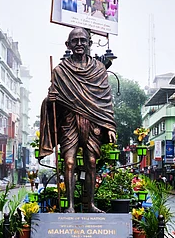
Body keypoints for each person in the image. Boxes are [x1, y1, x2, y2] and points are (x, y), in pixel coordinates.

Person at [39, 27, 117, 213]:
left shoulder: (99, 68)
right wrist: (49, 101)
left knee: (91, 161)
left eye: (83, 40)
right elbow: (53, 99)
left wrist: (110, 126)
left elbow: (105, 99)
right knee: (69, 162)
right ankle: (70, 206)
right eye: (75, 41)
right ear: (68, 44)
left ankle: (89, 204)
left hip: (93, 122)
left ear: (89, 43)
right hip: (69, 122)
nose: (79, 44)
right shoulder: (60, 71)